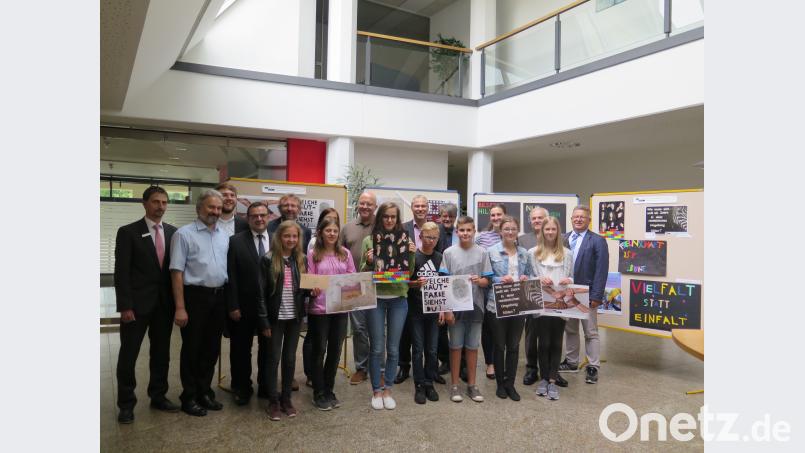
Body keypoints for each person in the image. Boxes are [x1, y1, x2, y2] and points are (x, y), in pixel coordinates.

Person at [114, 186, 179, 423]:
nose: (160, 206)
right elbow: (121, 272)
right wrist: (125, 306)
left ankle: (158, 396)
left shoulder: (173, 233)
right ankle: (126, 404)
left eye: (164, 202)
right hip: (136, 306)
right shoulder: (128, 232)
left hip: (164, 305)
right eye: (155, 202)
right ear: (144, 203)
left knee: (161, 354)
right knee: (128, 355)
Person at [170, 189, 229, 417]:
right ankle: (189, 397)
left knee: (211, 349)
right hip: (195, 298)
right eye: (211, 207)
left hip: (219, 297)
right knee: (192, 349)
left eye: (218, 208)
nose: (215, 211)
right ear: (199, 208)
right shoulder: (184, 234)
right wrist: (180, 307)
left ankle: (205, 392)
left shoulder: (224, 235)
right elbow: (176, 272)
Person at [360, 202, 415, 410]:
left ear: (397, 219)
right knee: (376, 348)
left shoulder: (405, 240)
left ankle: (388, 390)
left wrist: (411, 253)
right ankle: (376, 390)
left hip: (398, 298)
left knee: (393, 348)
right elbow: (361, 271)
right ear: (380, 218)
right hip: (376, 298)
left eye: (393, 216)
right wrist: (368, 262)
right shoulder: (369, 241)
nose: (389, 220)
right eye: (386, 216)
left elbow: (409, 273)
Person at [258, 220, 309, 420]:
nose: (291, 239)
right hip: (275, 318)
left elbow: (304, 289)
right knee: (273, 358)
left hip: (294, 318)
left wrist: (312, 291)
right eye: (287, 236)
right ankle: (273, 401)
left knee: (289, 359)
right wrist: (264, 321)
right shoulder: (268, 259)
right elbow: (260, 293)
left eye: (294, 236)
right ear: (279, 237)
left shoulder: (301, 259)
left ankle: (286, 398)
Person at [440, 216, 493, 403]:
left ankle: (472, 385)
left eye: (468, 230)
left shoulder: (482, 253)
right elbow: (444, 283)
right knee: (455, 346)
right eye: (462, 230)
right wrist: (446, 309)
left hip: (476, 306)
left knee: (472, 347)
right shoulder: (449, 253)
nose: (465, 233)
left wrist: (480, 281)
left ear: (474, 231)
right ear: (457, 232)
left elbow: (487, 281)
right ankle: (454, 385)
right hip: (455, 308)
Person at [306, 218, 356, 411]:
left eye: (335, 231)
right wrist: (312, 289)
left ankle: (329, 389)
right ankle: (318, 392)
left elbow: (352, 277)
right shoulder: (313, 254)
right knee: (319, 350)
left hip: (340, 309)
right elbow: (309, 279)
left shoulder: (345, 254)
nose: (332, 234)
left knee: (336, 350)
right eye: (328, 230)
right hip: (319, 310)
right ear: (320, 232)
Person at [397, 195, 447, 385]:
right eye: (416, 205)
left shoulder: (437, 233)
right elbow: (399, 267)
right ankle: (405, 367)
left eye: (423, 206)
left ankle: (431, 373)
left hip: (433, 303)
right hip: (411, 299)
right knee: (408, 338)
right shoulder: (403, 228)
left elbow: (443, 274)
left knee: (432, 344)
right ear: (412, 208)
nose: (420, 208)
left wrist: (443, 306)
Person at [225, 201, 271, 406]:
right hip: (243, 306)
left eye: (262, 215)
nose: (259, 219)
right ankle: (242, 388)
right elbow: (231, 275)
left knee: (268, 349)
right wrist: (233, 305)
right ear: (247, 218)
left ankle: (266, 386)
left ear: (268, 217)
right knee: (241, 350)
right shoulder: (235, 241)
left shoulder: (278, 239)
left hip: (270, 307)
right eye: (254, 216)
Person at [559, 205, 609, 384]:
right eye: (576, 217)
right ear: (571, 219)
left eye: (582, 217)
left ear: (589, 220)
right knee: (570, 329)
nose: (579, 219)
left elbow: (601, 270)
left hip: (587, 294)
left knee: (590, 332)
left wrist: (596, 296)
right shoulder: (563, 238)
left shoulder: (597, 241)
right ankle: (571, 362)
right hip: (567, 292)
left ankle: (593, 366)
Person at [486, 216, 532, 401]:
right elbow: (486, 278)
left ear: (517, 231)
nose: (510, 232)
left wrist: (526, 278)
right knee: (499, 345)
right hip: (497, 304)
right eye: (506, 229)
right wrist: (499, 279)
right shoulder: (491, 251)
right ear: (500, 231)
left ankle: (510, 384)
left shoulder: (524, 253)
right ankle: (500, 385)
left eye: (513, 229)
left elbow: (529, 274)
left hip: (518, 304)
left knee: (513, 346)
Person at [529, 216, 574, 401]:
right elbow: (529, 277)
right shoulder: (533, 253)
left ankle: (553, 380)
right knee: (543, 343)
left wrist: (568, 280)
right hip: (541, 303)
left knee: (556, 342)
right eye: (546, 229)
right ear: (542, 231)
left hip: (561, 304)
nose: (550, 232)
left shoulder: (567, 253)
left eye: (553, 229)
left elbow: (572, 277)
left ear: (558, 231)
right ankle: (544, 378)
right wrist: (538, 279)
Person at [341, 191, 377, 385]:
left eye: (369, 204)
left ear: (375, 207)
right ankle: (361, 368)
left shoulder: (382, 226)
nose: (365, 207)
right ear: (358, 205)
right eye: (362, 203)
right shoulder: (347, 228)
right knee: (359, 329)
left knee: (378, 328)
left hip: (378, 283)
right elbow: (339, 254)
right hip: (354, 283)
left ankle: (378, 367)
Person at [406, 222, 443, 404]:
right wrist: (415, 284)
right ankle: (419, 384)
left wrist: (443, 308)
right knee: (418, 349)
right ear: (420, 236)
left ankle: (429, 382)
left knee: (432, 350)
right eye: (427, 237)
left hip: (434, 311)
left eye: (434, 238)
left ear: (438, 239)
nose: (430, 241)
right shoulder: (414, 256)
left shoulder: (440, 258)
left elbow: (444, 285)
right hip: (415, 311)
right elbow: (403, 282)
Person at [474, 203, 507, 381]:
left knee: (503, 328)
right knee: (488, 327)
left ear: (505, 216)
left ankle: (502, 361)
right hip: (487, 289)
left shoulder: (510, 234)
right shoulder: (482, 237)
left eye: (499, 214)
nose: (496, 218)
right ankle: (490, 363)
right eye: (493, 215)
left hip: (506, 290)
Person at [519, 206, 549, 386]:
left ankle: (549, 369)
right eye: (534, 218)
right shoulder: (522, 240)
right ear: (530, 221)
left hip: (552, 292)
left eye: (540, 217)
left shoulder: (558, 238)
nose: (537, 221)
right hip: (531, 291)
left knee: (550, 333)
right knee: (531, 332)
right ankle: (531, 368)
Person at [435, 203, 458, 375]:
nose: (448, 219)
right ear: (440, 217)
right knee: (440, 325)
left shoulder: (460, 233)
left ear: (455, 217)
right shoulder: (435, 232)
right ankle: (445, 360)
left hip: (457, 283)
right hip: (439, 281)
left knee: (458, 323)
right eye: (445, 216)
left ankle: (461, 363)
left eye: (451, 216)